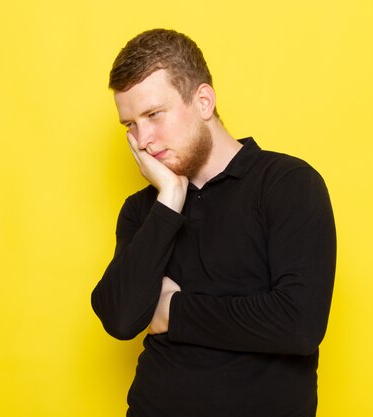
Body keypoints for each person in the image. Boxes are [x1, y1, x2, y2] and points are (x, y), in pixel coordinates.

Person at [91, 29, 336, 417]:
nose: (143, 140)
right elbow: (121, 318)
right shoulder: (144, 210)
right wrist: (170, 198)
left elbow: (298, 324)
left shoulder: (286, 183)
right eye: (130, 126)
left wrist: (174, 311)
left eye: (154, 115)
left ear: (203, 101)